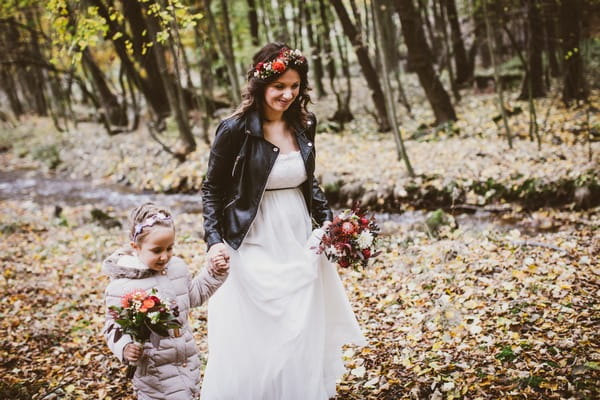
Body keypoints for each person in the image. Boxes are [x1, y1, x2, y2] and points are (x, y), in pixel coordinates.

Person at [200, 42, 366, 400]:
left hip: (298, 238)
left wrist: (332, 226)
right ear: (260, 85)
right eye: (279, 87)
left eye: (294, 86)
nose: (288, 94)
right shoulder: (234, 129)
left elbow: (310, 181)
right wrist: (214, 240)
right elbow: (212, 188)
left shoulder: (305, 123)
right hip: (250, 238)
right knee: (260, 334)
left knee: (299, 328)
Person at [102, 203, 229, 400]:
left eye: (170, 248)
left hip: (186, 364)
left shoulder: (177, 268)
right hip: (153, 373)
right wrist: (126, 347)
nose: (164, 256)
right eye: (156, 250)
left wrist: (214, 273)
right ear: (135, 247)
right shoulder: (122, 285)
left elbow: (194, 296)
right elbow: (113, 326)